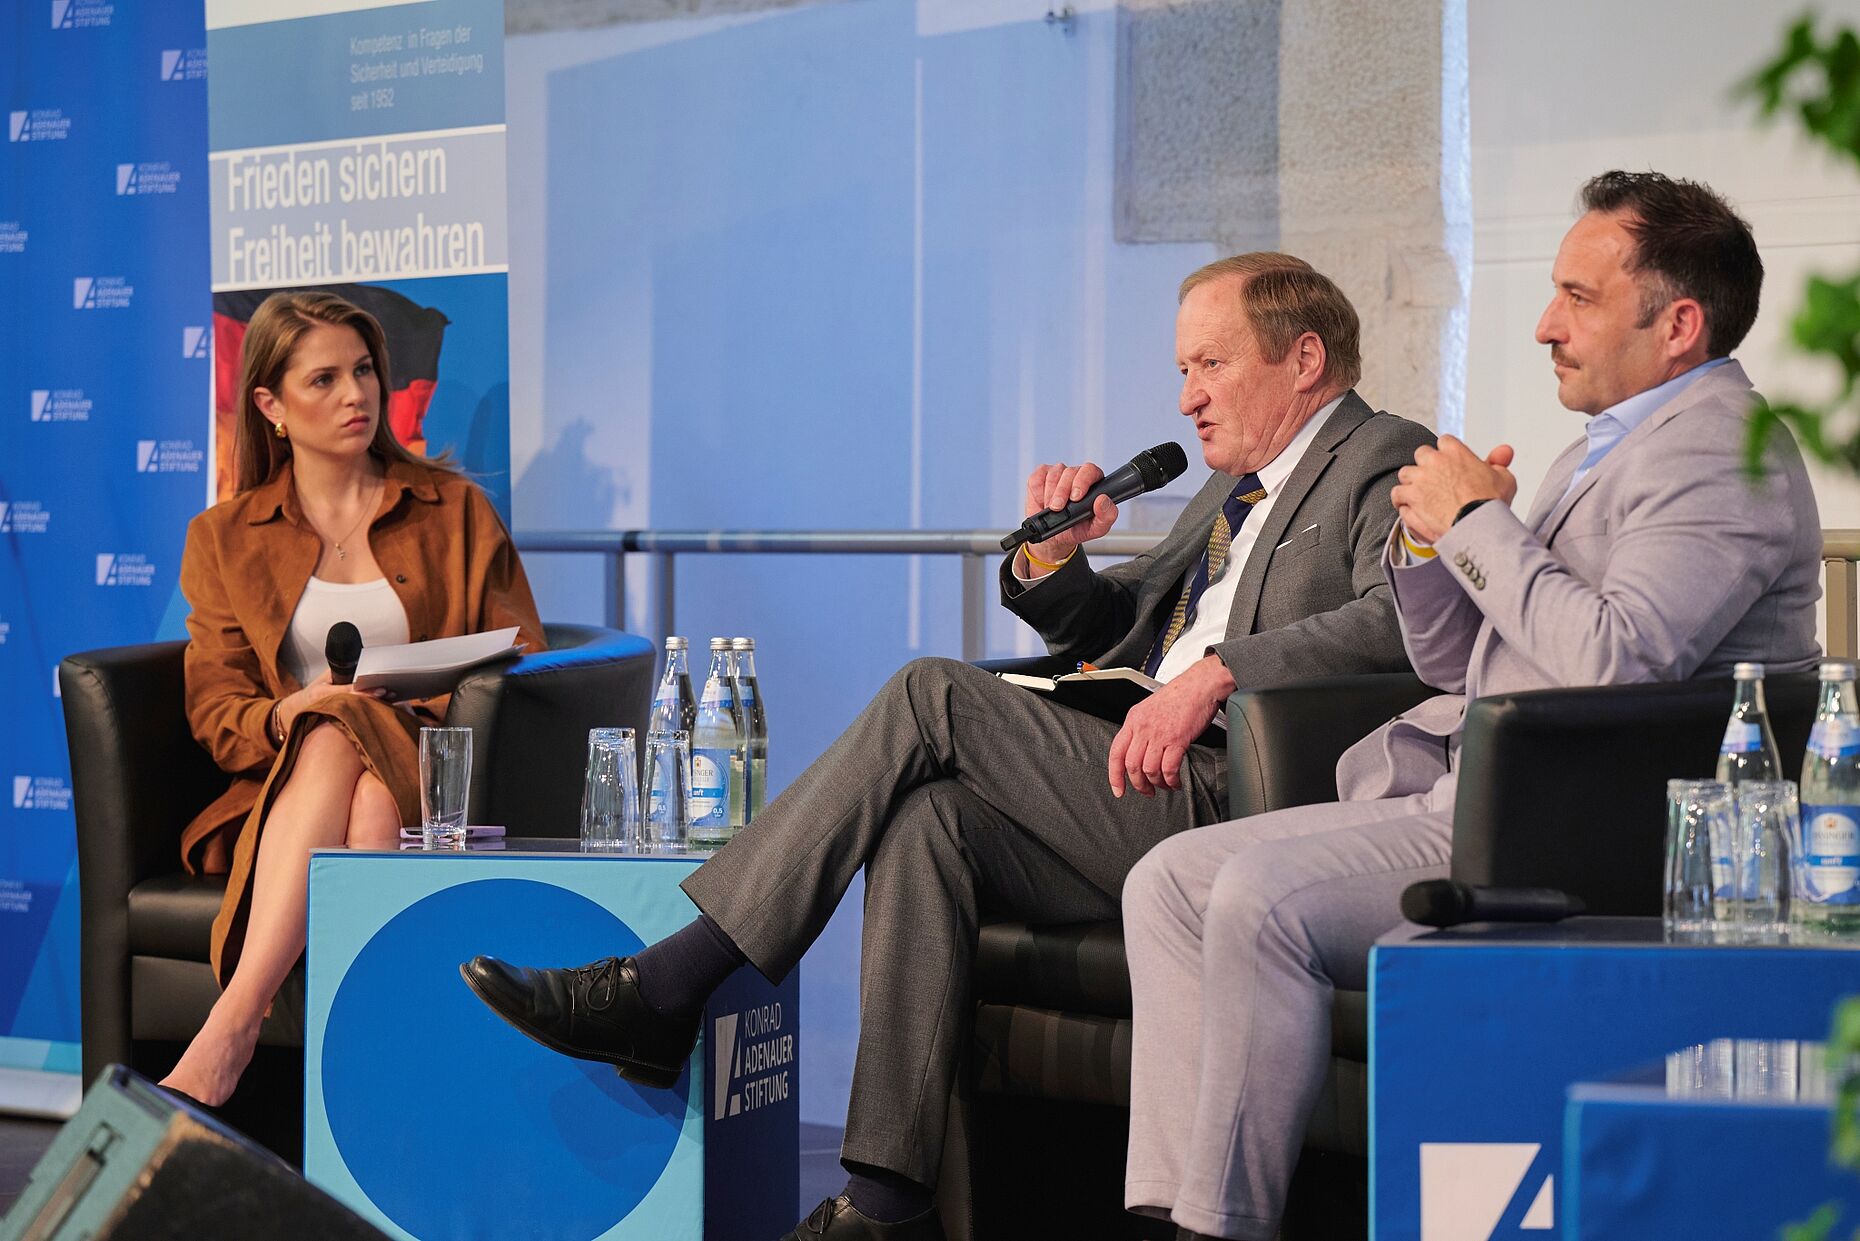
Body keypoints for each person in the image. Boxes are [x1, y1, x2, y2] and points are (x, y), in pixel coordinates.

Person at [463, 252, 1431, 1240]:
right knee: (930, 821)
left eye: (1208, 365)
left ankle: (669, 983)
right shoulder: (1228, 494)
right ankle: (886, 1201)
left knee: (933, 690)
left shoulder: (1385, 455)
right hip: (1130, 772)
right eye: (1182, 369)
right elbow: (1120, 634)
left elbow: (1399, 621)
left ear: (1303, 357)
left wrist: (1222, 667)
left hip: (1239, 801)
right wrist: (1058, 558)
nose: (1184, 397)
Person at [1119, 171, 1823, 1241]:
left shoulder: (1727, 454)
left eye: (1578, 298)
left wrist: (1484, 528)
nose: (1545, 324)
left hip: (1592, 827)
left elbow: (1615, 663)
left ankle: (1221, 1225)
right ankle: (1166, 1212)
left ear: (1679, 324)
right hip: (1485, 786)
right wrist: (1431, 546)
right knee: (1169, 879)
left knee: (1256, 893)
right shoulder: (1614, 442)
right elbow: (1461, 661)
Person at [163, 291, 545, 1108]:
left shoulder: (457, 511)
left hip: (440, 774)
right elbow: (216, 704)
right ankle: (367, 1080)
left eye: (365, 371)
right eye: (324, 379)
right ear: (270, 404)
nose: (355, 395)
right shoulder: (223, 537)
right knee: (348, 758)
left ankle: (234, 1021)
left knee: (351, 729)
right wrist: (283, 715)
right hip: (290, 784)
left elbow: (525, 662)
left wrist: (409, 705)